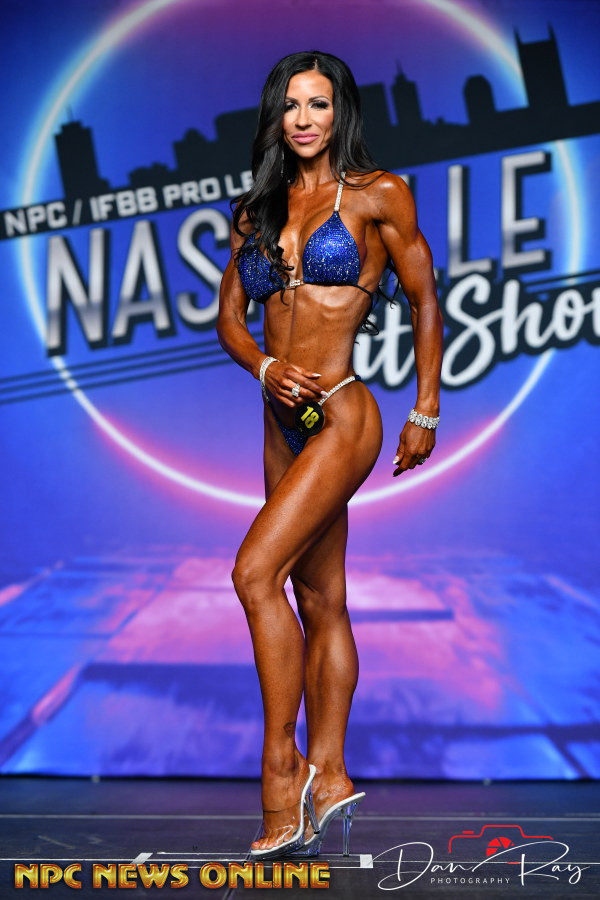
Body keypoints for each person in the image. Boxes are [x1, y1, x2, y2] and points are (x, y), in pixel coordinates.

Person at [216, 50, 443, 859]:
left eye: (317, 104)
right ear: (275, 118)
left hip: (343, 412)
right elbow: (230, 319)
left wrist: (425, 408)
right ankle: (335, 773)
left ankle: (282, 770)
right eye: (290, 106)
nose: (304, 119)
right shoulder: (256, 209)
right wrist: (264, 367)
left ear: (340, 111)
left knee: (253, 574)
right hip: (278, 420)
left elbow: (423, 298)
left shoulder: (380, 193)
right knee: (320, 599)